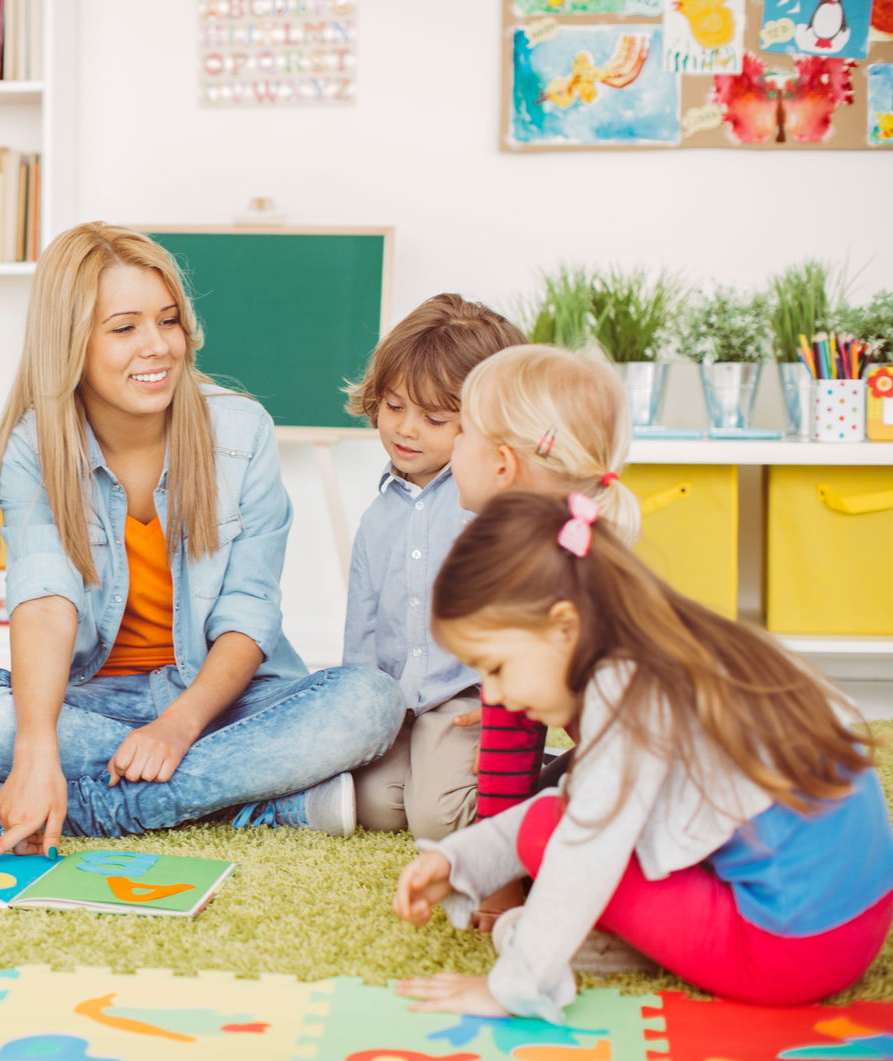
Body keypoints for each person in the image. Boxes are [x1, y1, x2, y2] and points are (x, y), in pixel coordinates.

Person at [0, 221, 404, 858]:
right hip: (93, 700)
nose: (158, 346)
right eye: (124, 327)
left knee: (369, 700)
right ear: (70, 343)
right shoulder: (36, 444)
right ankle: (270, 800)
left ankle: (67, 808)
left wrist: (178, 725)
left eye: (168, 321)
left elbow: (250, 613)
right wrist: (36, 747)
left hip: (221, 699)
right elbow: (45, 596)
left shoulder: (242, 430)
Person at [392, 491, 893, 1022]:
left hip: (789, 953)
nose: (490, 696)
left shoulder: (630, 701)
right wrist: (461, 859)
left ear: (565, 626)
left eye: (495, 667)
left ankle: (561, 956)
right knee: (566, 819)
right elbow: (579, 800)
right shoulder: (668, 644)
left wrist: (512, 985)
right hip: (861, 919)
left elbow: (583, 846)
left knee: (557, 841)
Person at [449, 343, 642, 929]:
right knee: (545, 799)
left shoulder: (520, 584)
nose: (452, 446)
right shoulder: (587, 545)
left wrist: (500, 886)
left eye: (461, 431)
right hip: (634, 763)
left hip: (644, 787)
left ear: (502, 465)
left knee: (526, 818)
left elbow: (511, 748)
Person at [343, 294, 527, 841]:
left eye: (436, 418)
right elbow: (365, 626)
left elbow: (527, 613)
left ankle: (547, 787)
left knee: (438, 820)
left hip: (471, 697)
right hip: (402, 703)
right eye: (394, 406)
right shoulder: (379, 517)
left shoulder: (493, 505)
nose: (406, 429)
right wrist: (364, 710)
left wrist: (509, 705)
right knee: (375, 807)